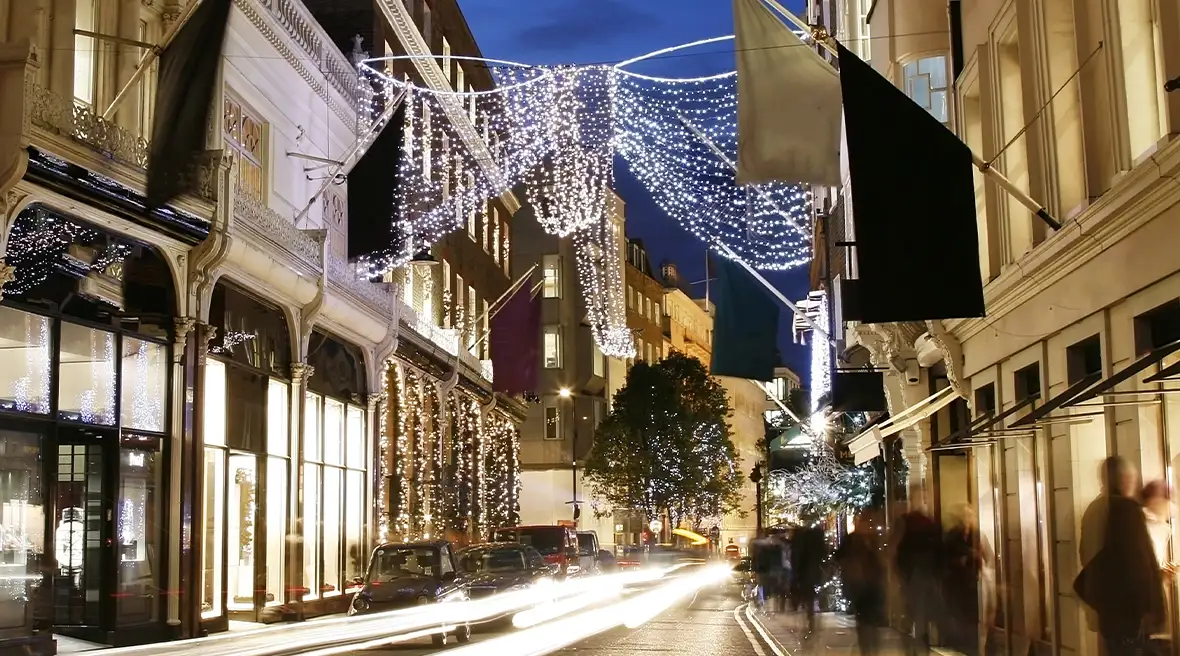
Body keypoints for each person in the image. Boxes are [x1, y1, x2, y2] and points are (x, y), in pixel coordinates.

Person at [1078, 456, 1162, 655]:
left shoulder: (1093, 509)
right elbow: (1137, 563)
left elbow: (1084, 553)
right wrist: (1150, 607)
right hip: (1128, 610)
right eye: (1130, 478)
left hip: (1104, 606)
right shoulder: (1126, 510)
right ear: (1123, 480)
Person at [893, 490, 942, 656]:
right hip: (915, 575)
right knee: (917, 614)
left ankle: (916, 646)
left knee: (917, 614)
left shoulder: (922, 522)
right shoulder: (916, 522)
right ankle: (917, 646)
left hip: (918, 575)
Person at [836, 511, 885, 656]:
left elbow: (839, 557)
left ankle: (868, 647)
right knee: (866, 618)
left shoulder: (867, 539)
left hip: (865, 584)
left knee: (866, 618)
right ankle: (869, 647)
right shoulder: (868, 539)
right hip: (863, 584)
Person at [943, 505, 984, 656]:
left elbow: (984, 556)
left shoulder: (975, 535)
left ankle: (971, 647)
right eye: (969, 515)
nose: (972, 518)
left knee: (971, 615)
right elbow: (945, 559)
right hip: (956, 583)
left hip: (971, 582)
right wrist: (964, 559)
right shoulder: (952, 536)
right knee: (960, 615)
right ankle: (962, 646)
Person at [1142, 480, 1173, 655]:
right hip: (1145, 604)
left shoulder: (1160, 528)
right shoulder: (1145, 525)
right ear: (1155, 500)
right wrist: (1159, 575)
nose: (1170, 506)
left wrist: (1162, 574)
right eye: (1167, 499)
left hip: (1150, 599)